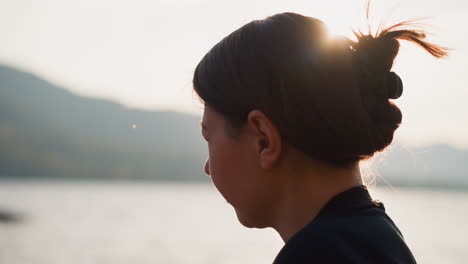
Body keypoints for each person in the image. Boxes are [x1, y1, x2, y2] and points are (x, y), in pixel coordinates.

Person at [193, 12, 448, 263]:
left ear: (264, 140)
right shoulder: (380, 239)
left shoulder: (315, 255)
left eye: (209, 138)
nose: (207, 167)